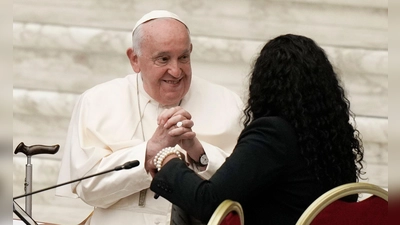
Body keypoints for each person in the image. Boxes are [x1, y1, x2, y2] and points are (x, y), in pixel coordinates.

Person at [149, 34, 365, 225]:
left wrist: (166, 158)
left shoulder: (272, 134)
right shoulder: (333, 139)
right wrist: (196, 150)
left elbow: (209, 203)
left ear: (265, 84)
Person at [55, 10, 243, 225]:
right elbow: (87, 188)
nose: (176, 71)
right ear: (135, 59)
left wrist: (199, 153)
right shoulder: (96, 101)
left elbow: (243, 187)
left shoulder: (228, 103)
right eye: (163, 59)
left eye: (183, 57)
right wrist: (149, 152)